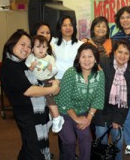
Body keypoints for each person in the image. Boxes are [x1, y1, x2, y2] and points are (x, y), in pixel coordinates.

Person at [0, 29, 60, 160]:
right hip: (27, 116)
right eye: (22, 44)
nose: (26, 49)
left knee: (29, 147)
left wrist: (53, 82)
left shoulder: (22, 64)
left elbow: (40, 81)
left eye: (28, 46)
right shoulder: (9, 66)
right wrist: (51, 89)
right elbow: (29, 90)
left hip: (36, 114)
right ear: (12, 43)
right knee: (35, 151)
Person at [55, 43, 105, 160]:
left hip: (83, 111)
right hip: (63, 112)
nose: (87, 60)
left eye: (90, 56)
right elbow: (64, 100)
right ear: (78, 59)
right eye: (83, 56)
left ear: (96, 59)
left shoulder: (100, 75)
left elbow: (98, 98)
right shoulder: (71, 73)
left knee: (86, 138)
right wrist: (76, 118)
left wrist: (88, 119)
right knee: (70, 141)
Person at [92, 39, 130, 160]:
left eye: (126, 53)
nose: (122, 56)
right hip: (100, 108)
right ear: (114, 52)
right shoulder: (104, 62)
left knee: (118, 141)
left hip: (117, 109)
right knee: (101, 140)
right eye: (120, 52)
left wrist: (118, 119)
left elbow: (126, 98)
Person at [50, 15, 83, 159]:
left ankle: (72, 153)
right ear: (59, 27)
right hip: (57, 86)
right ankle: (65, 154)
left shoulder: (80, 45)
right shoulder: (52, 43)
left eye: (70, 24)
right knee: (61, 120)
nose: (68, 27)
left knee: (76, 118)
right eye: (64, 25)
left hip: (76, 86)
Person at [111, 6, 130, 155]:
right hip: (117, 80)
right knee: (116, 111)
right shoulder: (115, 37)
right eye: (122, 17)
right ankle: (118, 141)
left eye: (128, 17)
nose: (125, 20)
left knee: (129, 113)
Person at [25, 35, 64, 133]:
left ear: (47, 48)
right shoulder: (30, 58)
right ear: (32, 49)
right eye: (38, 47)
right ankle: (49, 115)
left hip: (48, 79)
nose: (41, 49)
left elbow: (55, 70)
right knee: (38, 100)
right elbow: (26, 71)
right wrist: (31, 68)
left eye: (44, 47)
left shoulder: (49, 58)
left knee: (49, 97)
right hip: (36, 81)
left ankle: (57, 117)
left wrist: (52, 69)